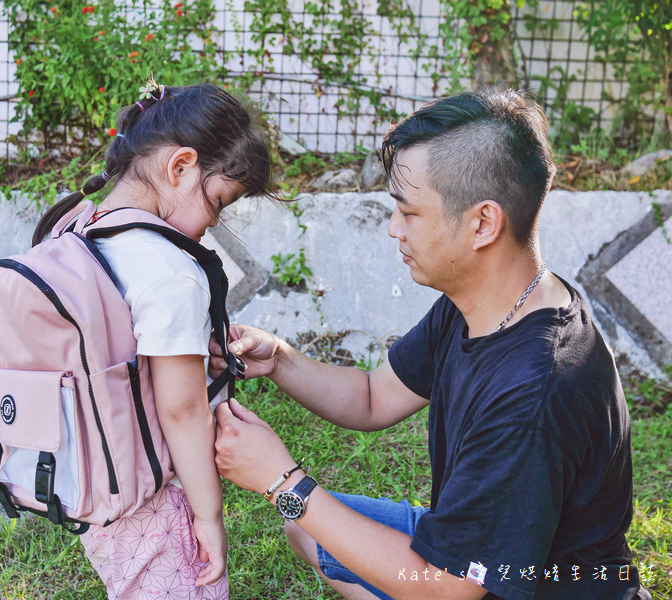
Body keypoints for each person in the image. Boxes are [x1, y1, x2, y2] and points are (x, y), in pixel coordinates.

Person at [211, 89, 650, 600]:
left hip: (525, 588)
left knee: (311, 517)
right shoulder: (486, 301)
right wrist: (282, 360)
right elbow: (374, 397)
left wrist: (283, 483)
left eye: (409, 213)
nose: (394, 229)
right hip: (482, 568)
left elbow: (446, 589)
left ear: (483, 223)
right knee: (309, 529)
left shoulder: (534, 388)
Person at [32, 81, 274, 599]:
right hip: (152, 494)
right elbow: (182, 410)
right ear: (181, 166)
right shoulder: (170, 269)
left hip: (91, 480)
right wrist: (209, 518)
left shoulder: (76, 228)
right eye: (217, 202)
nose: (212, 223)